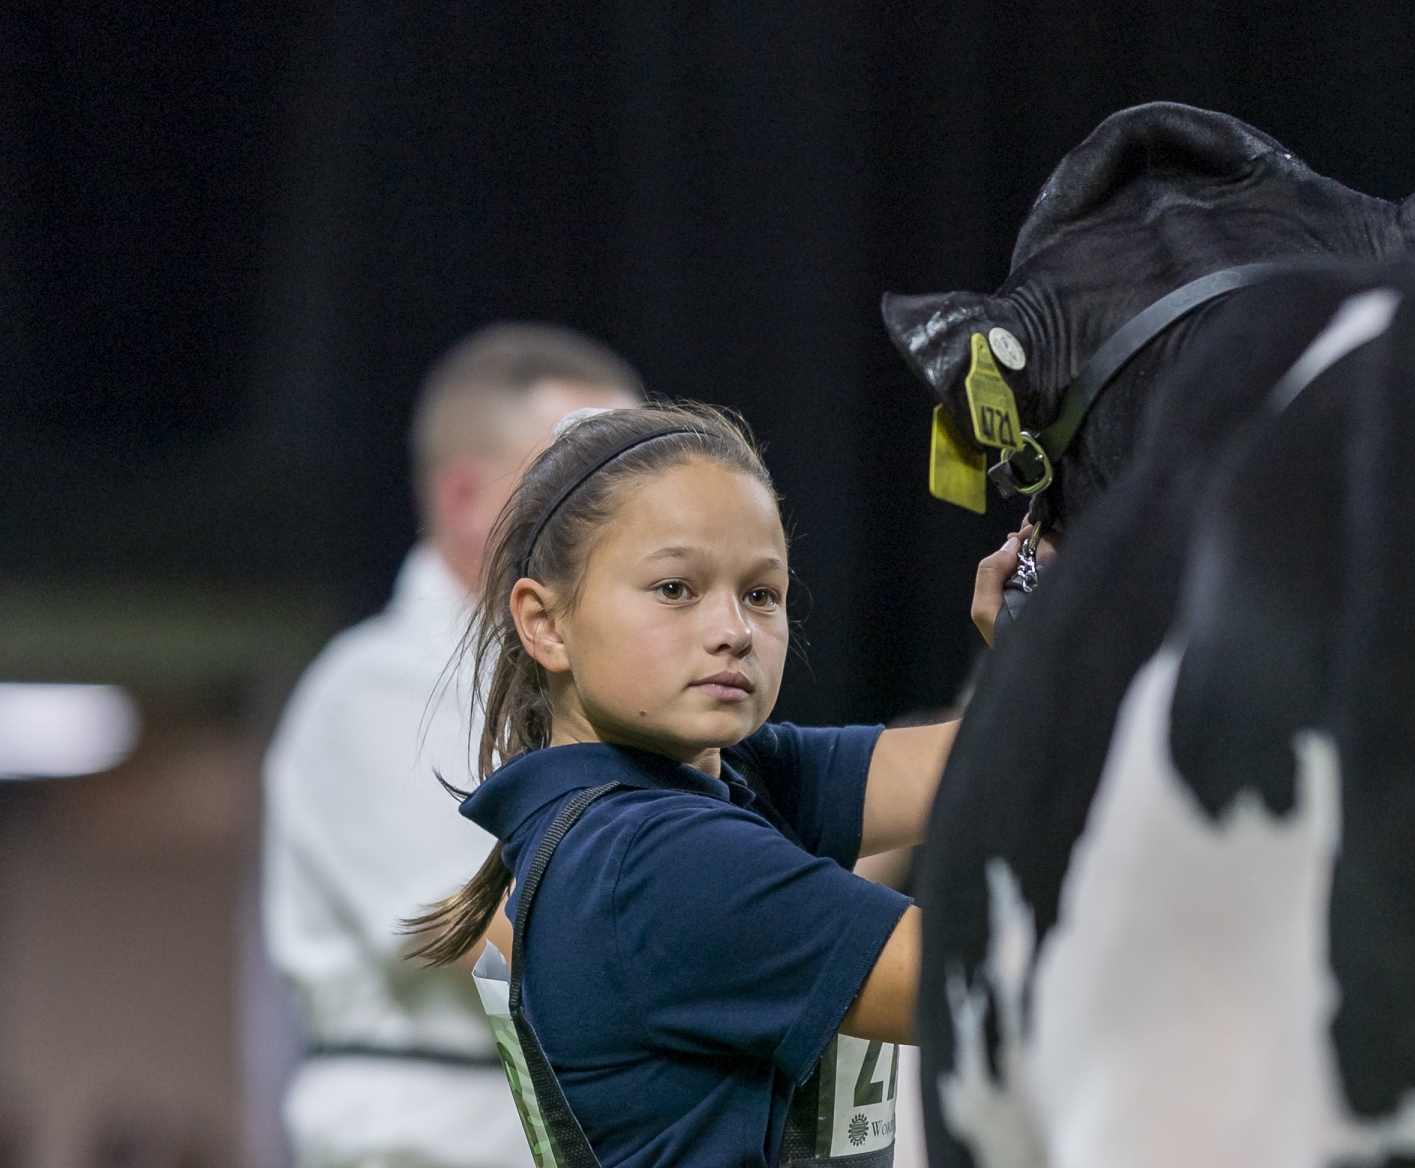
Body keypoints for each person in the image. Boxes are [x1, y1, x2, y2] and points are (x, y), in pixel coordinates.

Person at [409, 401, 1016, 1167]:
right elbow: (1004, 986)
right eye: (675, 589)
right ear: (546, 623)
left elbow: (1007, 760)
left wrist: (1049, 631)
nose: (733, 630)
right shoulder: (652, 861)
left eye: (762, 594)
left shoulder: (714, 783)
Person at [262, 323, 645, 1168]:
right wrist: (743, 923)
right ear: (469, 499)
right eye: (587, 488)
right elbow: (467, 931)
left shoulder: (600, 690)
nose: (634, 519)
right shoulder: (376, 684)